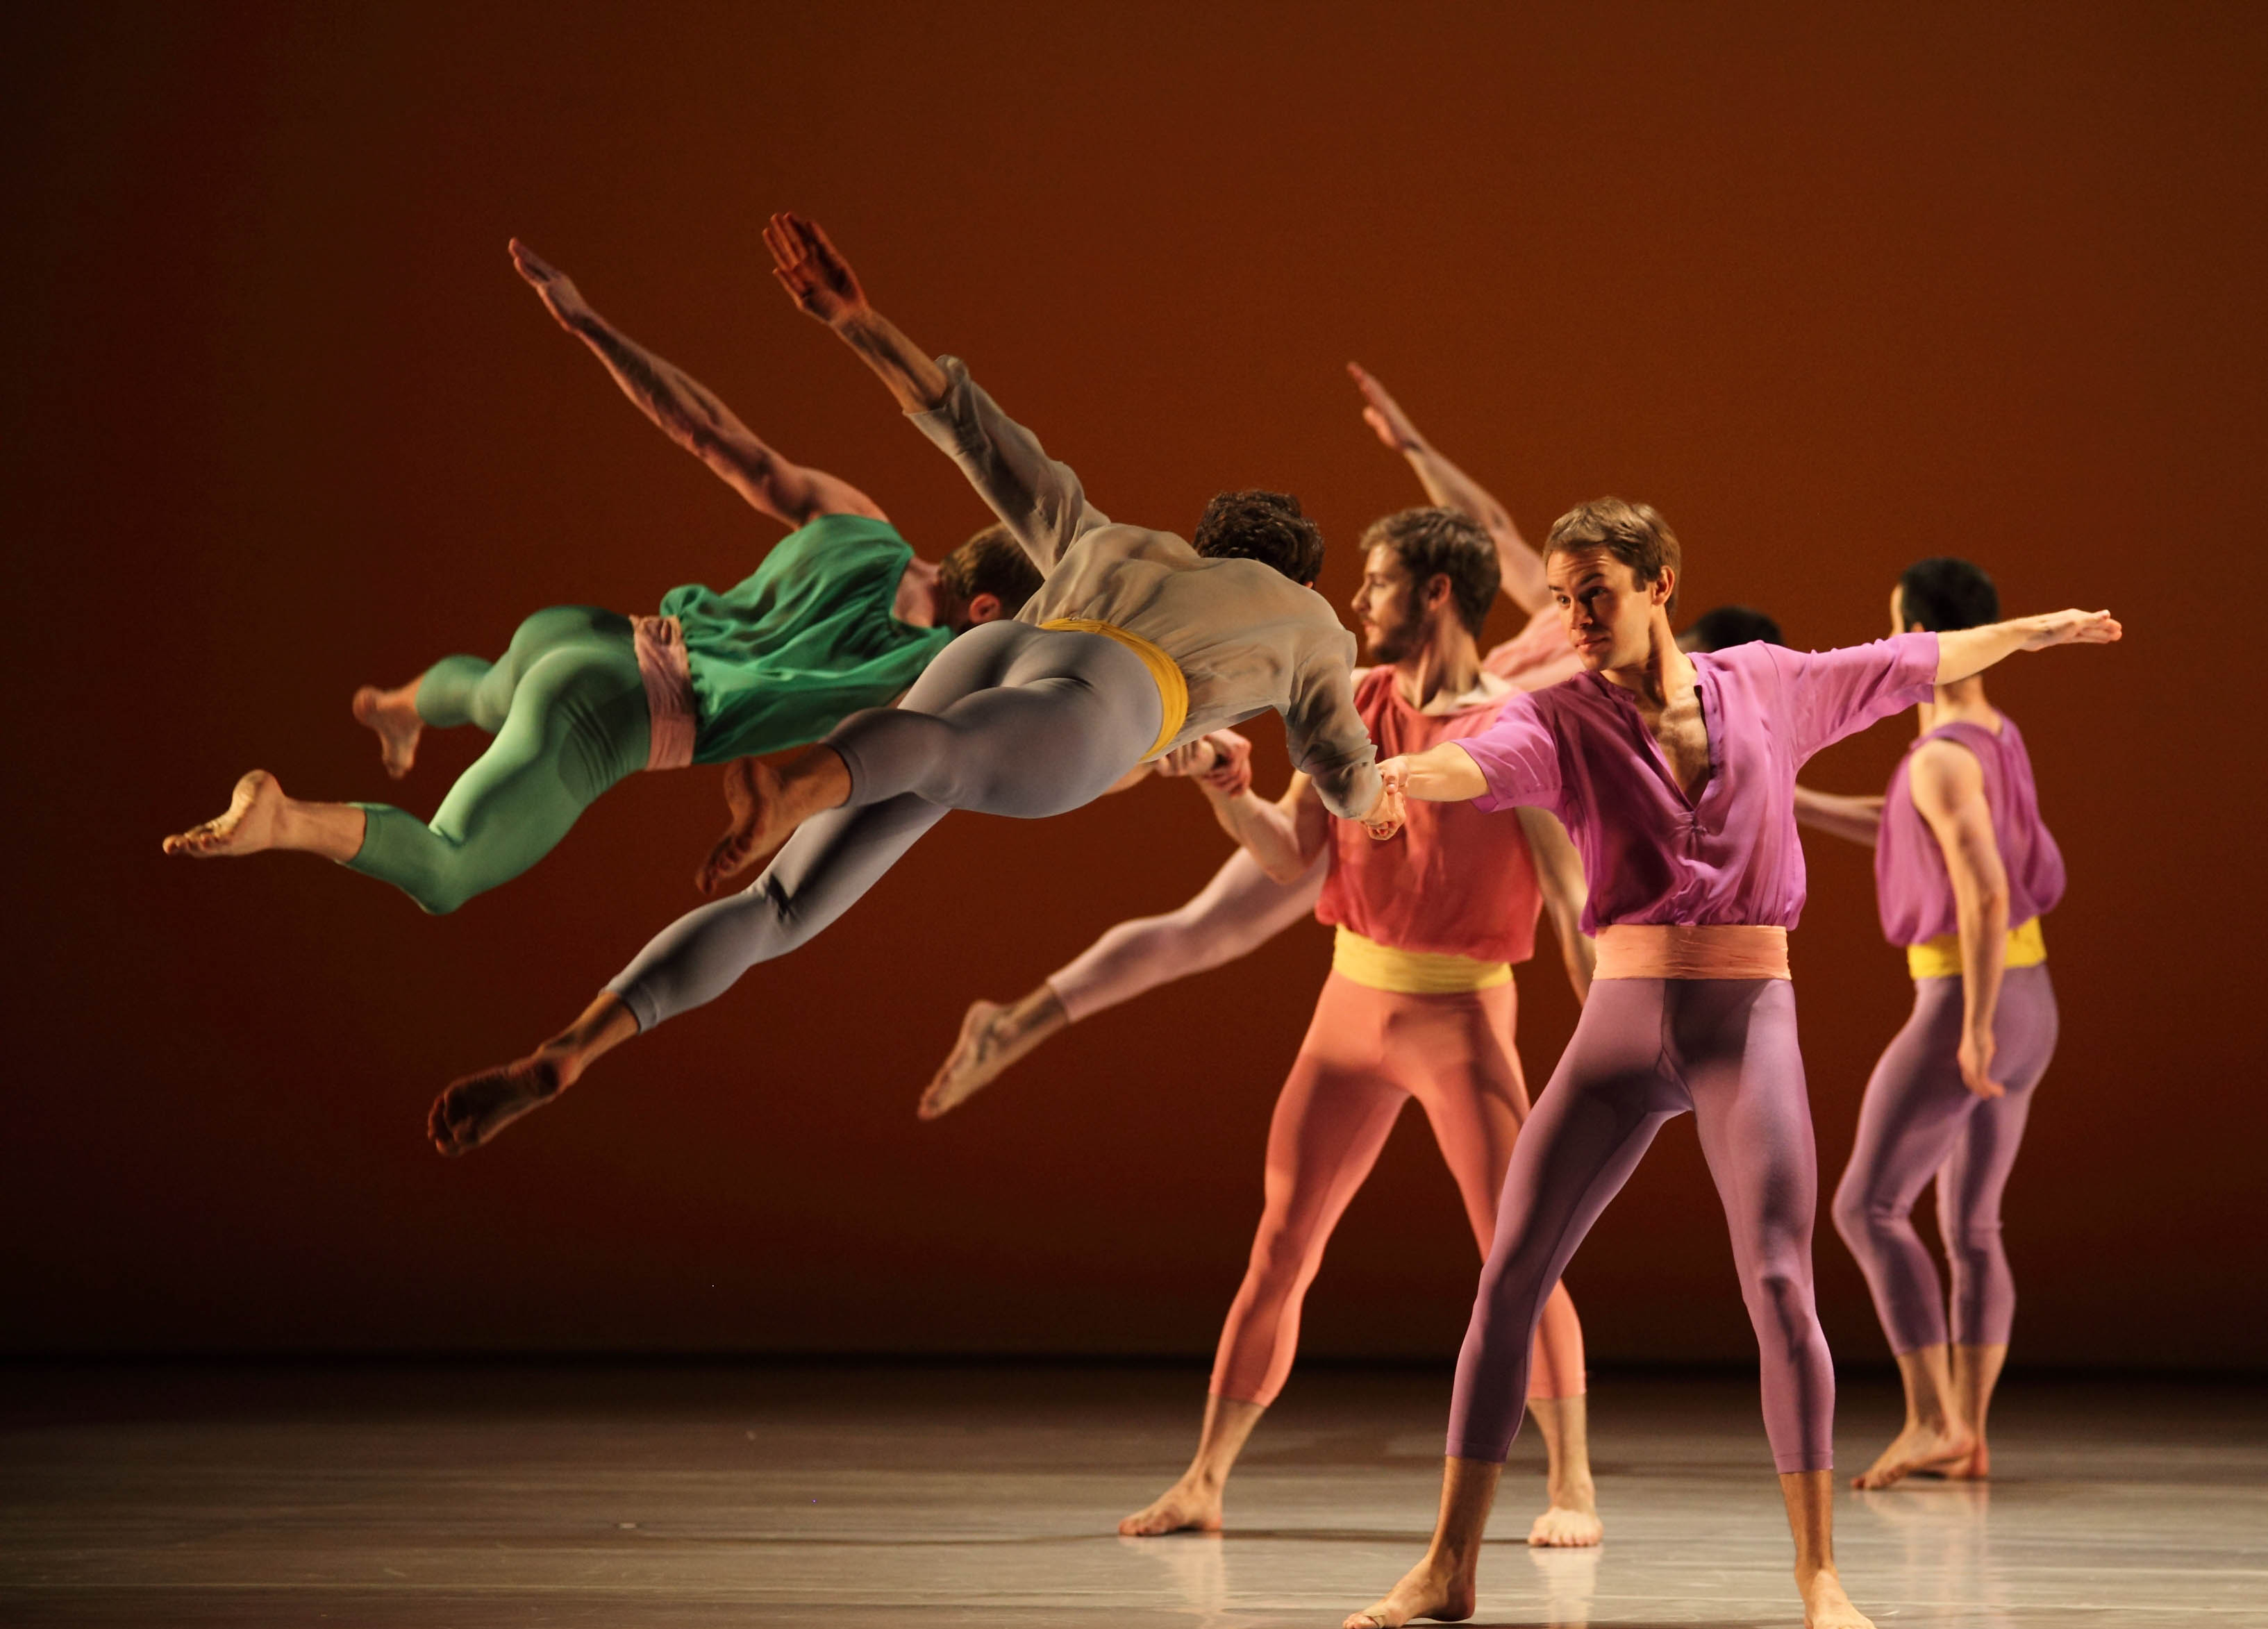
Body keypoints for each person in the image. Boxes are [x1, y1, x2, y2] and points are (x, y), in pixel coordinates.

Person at [422, 214, 1397, 1155]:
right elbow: (1334, 762)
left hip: (1008, 644)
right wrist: (1378, 806)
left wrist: (857, 321)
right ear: (1297, 573)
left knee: (796, 886)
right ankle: (784, 796)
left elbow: (982, 438)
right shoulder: (1311, 620)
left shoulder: (1115, 538)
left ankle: (570, 1047)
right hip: (1113, 695)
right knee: (904, 801)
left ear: (1209, 541)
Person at [1342, 499, 2118, 1629]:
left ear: (1658, 583)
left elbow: (1906, 658)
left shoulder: (1762, 683)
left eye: (1594, 589)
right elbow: (1476, 757)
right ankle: (1449, 1563)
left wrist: (2037, 630)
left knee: (1778, 1281)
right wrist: (1410, 777)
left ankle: (1817, 1574)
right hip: (1623, 1012)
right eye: (1560, 596)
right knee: (1509, 1273)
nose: (1574, 614)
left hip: (1745, 1015)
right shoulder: (1559, 714)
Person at [919, 366, 1788, 1119]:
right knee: (1208, 923)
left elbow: (1577, 900)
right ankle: (1021, 998)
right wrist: (1413, 446)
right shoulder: (1588, 627)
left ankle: (1085, 765)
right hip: (1404, 760)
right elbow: (1489, 528)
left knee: (1213, 920)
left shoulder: (1644, 736)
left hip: (1449, 817)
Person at [161, 241, 1040, 913]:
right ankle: (282, 817)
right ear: (989, 606)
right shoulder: (920, 672)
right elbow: (1015, 750)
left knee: (494, 696)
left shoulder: (859, 521)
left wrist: (590, 325)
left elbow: (708, 431)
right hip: (613, 712)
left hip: (588, 634)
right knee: (449, 869)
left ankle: (397, 707)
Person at [1115, 506, 1603, 1547]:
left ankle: (1572, 1487)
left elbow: (1569, 903)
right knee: (1280, 1245)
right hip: (1348, 1006)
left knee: (1518, 1254)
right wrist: (1225, 787)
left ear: (1433, 592)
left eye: (1376, 580)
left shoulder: (1518, 728)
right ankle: (1204, 1478)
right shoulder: (1355, 703)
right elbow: (1292, 853)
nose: (1355, 600)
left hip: (1463, 1016)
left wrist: (1613, 1047)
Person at [1796, 558, 2063, 1489]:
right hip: (2035, 998)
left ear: (1923, 636)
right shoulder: (1986, 735)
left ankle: (1927, 1417)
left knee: (1863, 1204)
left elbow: (1984, 892)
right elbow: (1903, 823)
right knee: (1972, 1225)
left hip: (1969, 998)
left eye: (1895, 631)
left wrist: (1976, 1025)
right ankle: (1969, 1434)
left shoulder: (1942, 754)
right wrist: (1791, 803)